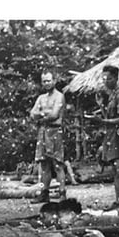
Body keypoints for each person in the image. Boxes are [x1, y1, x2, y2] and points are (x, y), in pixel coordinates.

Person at [89, 65, 119, 210]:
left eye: (110, 78)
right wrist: (101, 106)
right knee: (115, 169)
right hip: (110, 134)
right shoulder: (111, 96)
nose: (106, 81)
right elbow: (108, 117)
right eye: (104, 78)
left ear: (116, 78)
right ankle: (118, 200)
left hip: (118, 134)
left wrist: (102, 121)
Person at [30, 70, 66, 202]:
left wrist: (41, 114)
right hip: (43, 132)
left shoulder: (59, 96)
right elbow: (32, 114)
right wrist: (44, 114)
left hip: (55, 132)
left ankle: (62, 193)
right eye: (44, 81)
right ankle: (44, 192)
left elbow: (54, 115)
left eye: (48, 80)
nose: (46, 83)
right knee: (43, 164)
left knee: (57, 164)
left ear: (54, 81)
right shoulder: (41, 98)